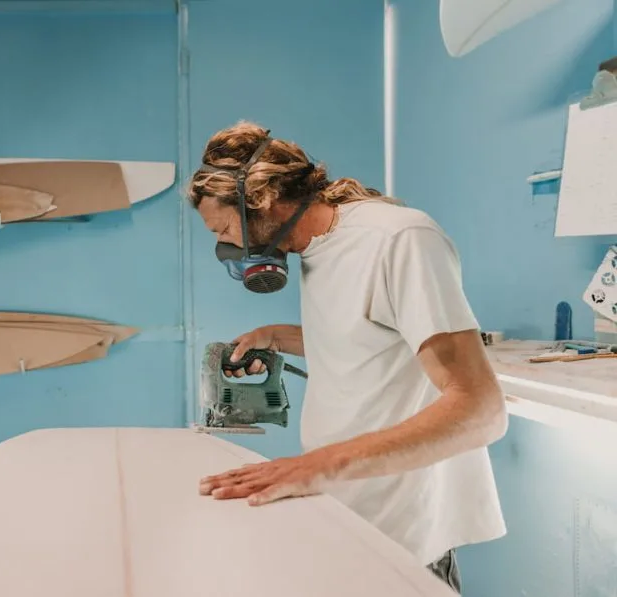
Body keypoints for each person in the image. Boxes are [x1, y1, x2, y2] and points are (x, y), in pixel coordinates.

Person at [188, 121, 508, 593]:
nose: (227, 247)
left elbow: (480, 409)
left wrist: (314, 466)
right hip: (344, 509)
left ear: (261, 200)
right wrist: (279, 336)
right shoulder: (317, 247)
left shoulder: (398, 239)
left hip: (401, 533)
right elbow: (377, 336)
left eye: (225, 229)